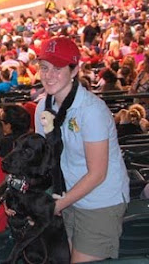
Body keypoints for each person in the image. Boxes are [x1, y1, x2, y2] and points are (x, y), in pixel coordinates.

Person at [34, 37, 130, 263]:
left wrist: (55, 206)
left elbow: (97, 174)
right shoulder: (42, 106)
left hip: (99, 201)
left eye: (58, 68)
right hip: (68, 196)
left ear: (75, 69)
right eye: (44, 68)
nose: (49, 75)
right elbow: (41, 160)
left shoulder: (91, 110)